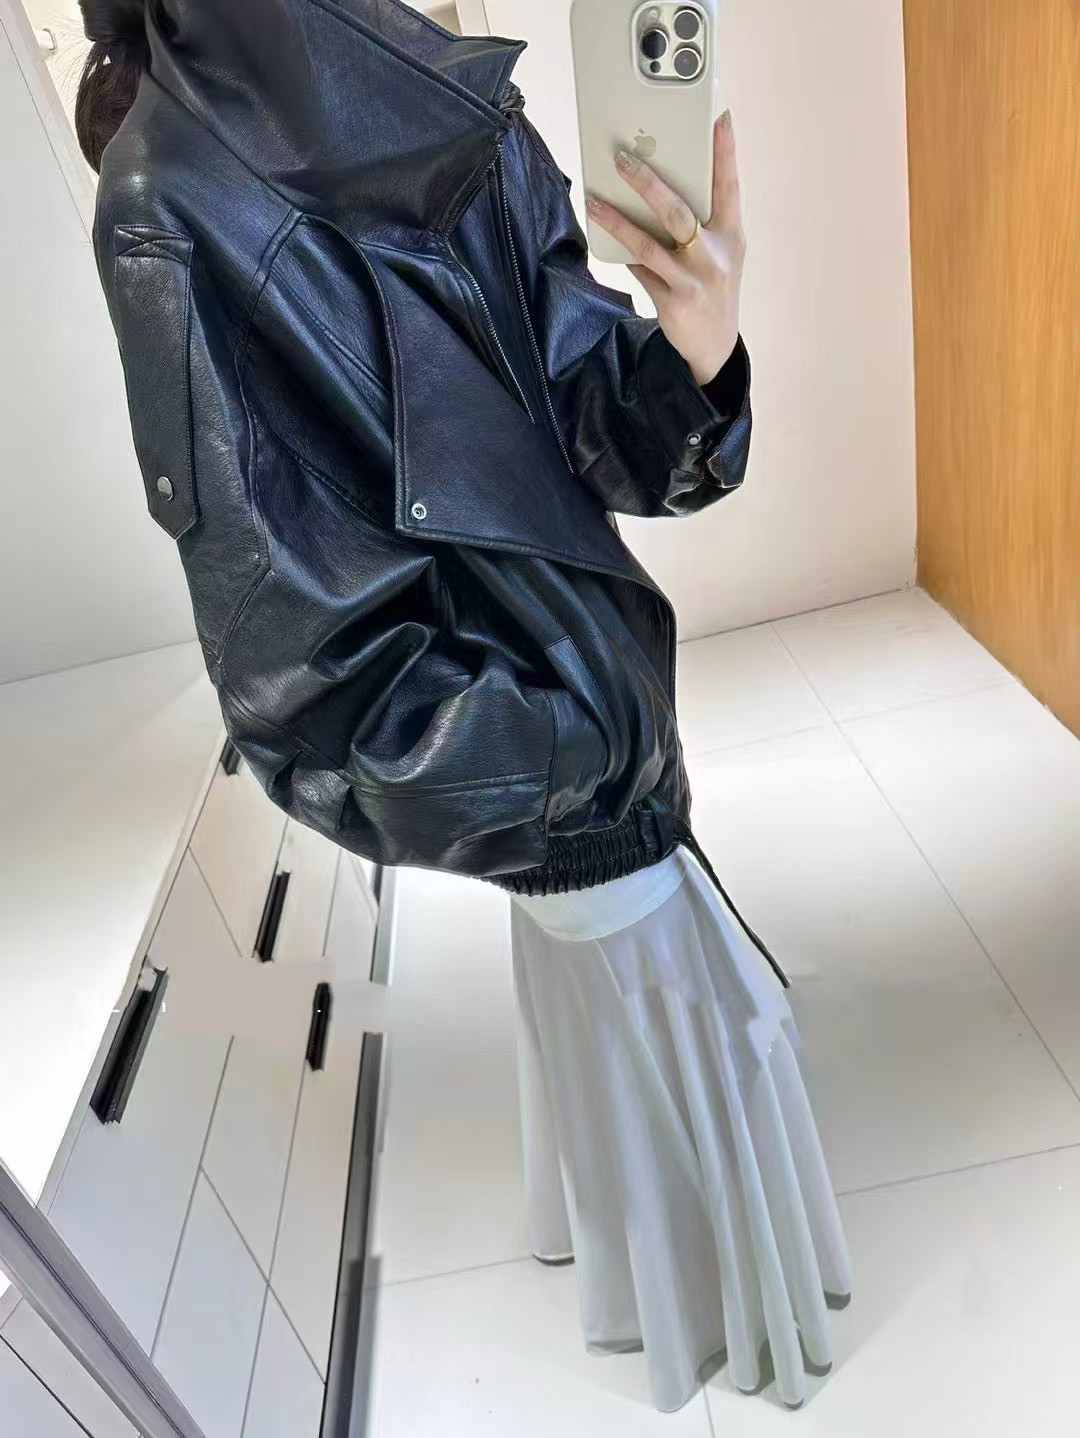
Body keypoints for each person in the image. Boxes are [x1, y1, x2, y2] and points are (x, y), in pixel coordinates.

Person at [77, 0, 851, 1412]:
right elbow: (299, 676)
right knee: (711, 1059)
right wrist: (579, 749)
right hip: (557, 766)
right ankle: (715, 1324)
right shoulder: (167, 207)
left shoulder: (454, 108)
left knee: (672, 1072)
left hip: (584, 735)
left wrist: (698, 346)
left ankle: (676, 1300)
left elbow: (595, 421)